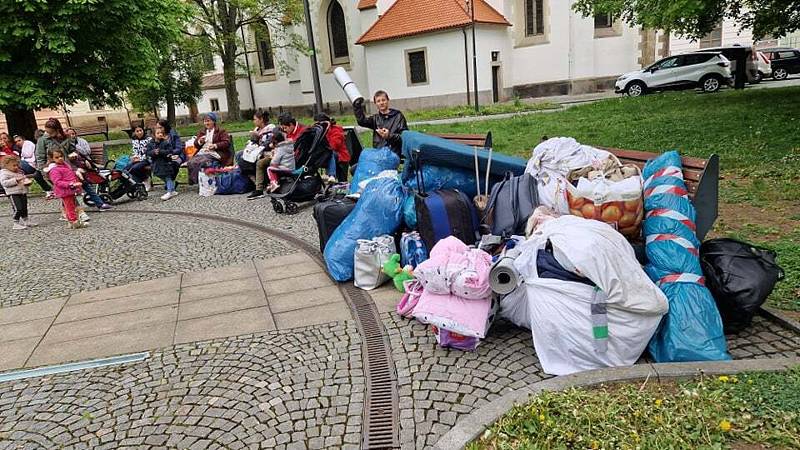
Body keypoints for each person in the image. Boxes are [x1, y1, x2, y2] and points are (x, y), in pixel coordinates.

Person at [36, 118, 109, 215]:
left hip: (70, 166)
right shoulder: (43, 140)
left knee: (84, 183)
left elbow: (73, 150)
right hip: (55, 169)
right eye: (47, 131)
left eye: (51, 132)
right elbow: (40, 158)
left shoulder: (65, 137)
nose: (48, 134)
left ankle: (99, 204)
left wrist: (74, 154)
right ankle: (77, 212)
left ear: (57, 130)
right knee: (66, 191)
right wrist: (45, 172)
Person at [353, 90, 408, 155]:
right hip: (378, 152)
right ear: (375, 103)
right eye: (378, 101)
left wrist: (389, 136)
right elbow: (362, 121)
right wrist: (357, 106)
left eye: (383, 100)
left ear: (388, 100)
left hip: (393, 152)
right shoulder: (375, 118)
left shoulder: (398, 116)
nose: (381, 103)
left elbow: (404, 137)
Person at [48, 148, 87, 229]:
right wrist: (70, 184)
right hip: (65, 191)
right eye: (57, 157)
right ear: (52, 159)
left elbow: (70, 175)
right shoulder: (54, 170)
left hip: (70, 190)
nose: (60, 158)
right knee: (69, 207)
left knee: (71, 205)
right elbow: (57, 182)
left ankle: (71, 221)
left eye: (61, 156)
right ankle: (74, 221)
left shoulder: (65, 165)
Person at [0, 155, 35, 230]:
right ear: (6, 165)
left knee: (24, 207)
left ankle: (26, 220)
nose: (16, 167)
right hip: (13, 193)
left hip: (22, 191)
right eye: (14, 165)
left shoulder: (19, 171)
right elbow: (4, 183)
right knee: (18, 208)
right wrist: (15, 180)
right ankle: (16, 222)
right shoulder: (4, 173)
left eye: (17, 165)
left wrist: (27, 182)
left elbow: (23, 179)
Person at [147, 128, 181, 201]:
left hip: (166, 163)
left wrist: (160, 152)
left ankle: (169, 192)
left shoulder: (165, 142)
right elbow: (148, 152)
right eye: (158, 133)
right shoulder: (150, 144)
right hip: (156, 164)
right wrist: (153, 152)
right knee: (160, 175)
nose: (160, 134)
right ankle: (172, 186)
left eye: (161, 133)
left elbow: (170, 151)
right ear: (153, 135)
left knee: (168, 177)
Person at [314, 113, 350, 182]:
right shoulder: (318, 132)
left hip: (341, 158)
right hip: (326, 157)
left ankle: (332, 175)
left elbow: (333, 146)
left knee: (342, 182)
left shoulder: (336, 130)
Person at [238, 110, 273, 179]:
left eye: (255, 119)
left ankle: (255, 180)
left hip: (264, 152)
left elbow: (268, 143)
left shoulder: (270, 129)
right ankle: (250, 178)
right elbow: (253, 141)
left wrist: (258, 139)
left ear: (261, 119)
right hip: (255, 150)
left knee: (242, 160)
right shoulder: (257, 129)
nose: (253, 121)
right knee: (238, 154)